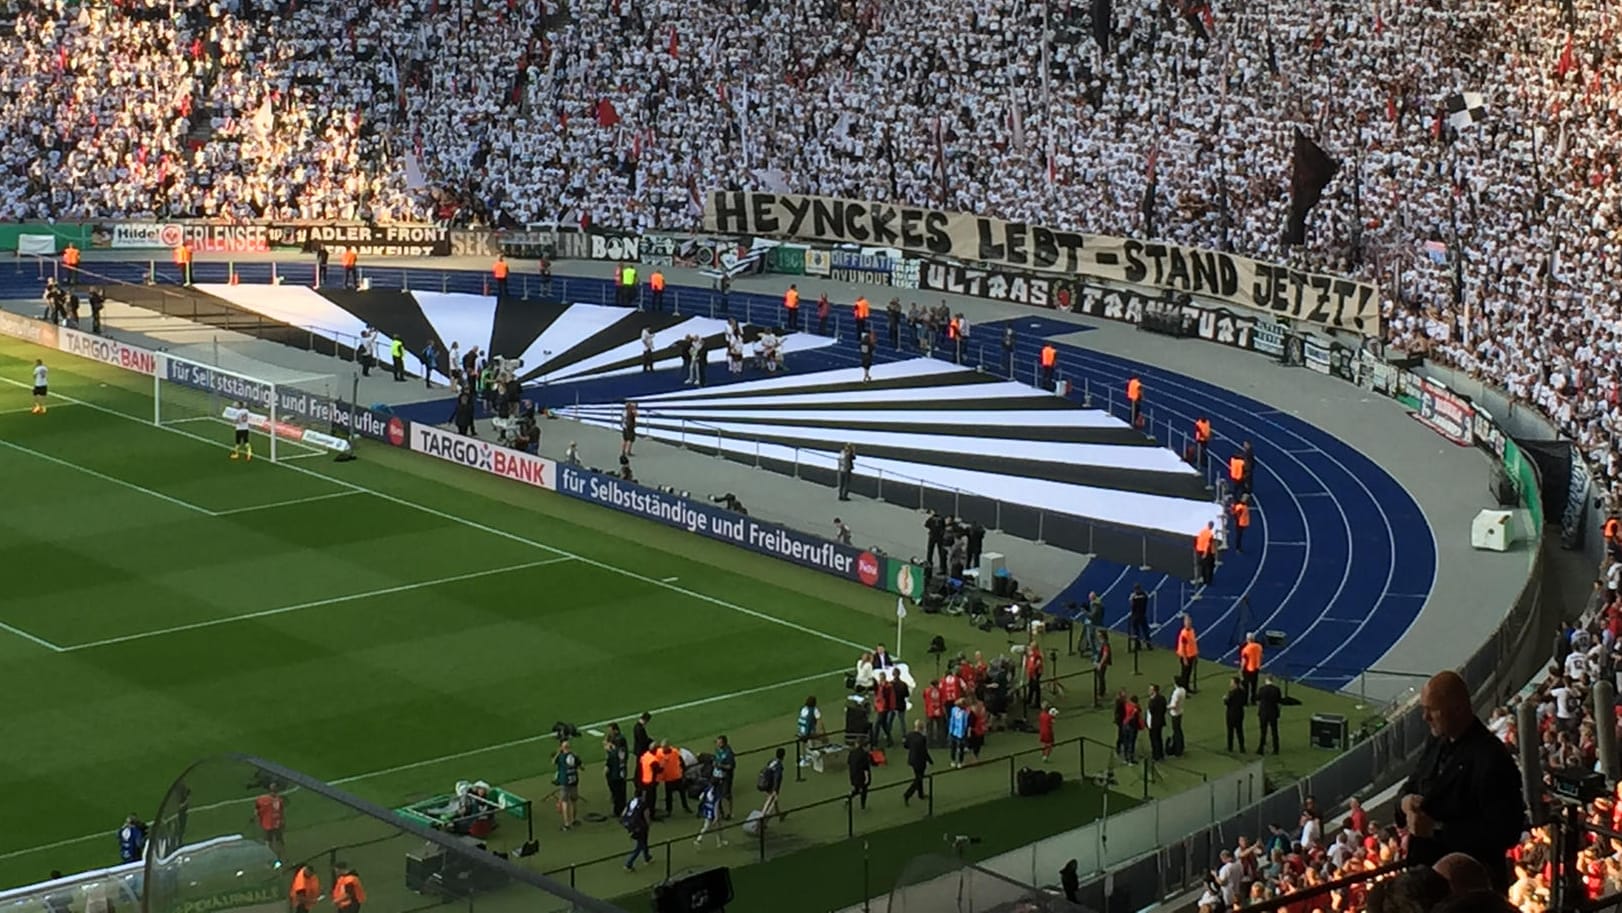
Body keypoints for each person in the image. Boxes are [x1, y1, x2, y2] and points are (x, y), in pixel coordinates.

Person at [1397, 670, 1526, 893]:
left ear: (1458, 708)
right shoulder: (1437, 742)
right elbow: (1412, 784)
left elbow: (1505, 831)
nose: (1425, 717)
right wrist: (1405, 802)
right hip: (1428, 884)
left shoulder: (1491, 757)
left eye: (1431, 710)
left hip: (1466, 891)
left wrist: (1436, 830)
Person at [902, 719, 931, 805]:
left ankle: (920, 794)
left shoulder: (909, 735)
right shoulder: (922, 738)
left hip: (912, 759)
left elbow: (906, 745)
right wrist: (929, 760)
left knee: (918, 777)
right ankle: (908, 794)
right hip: (920, 761)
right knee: (919, 779)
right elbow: (924, 751)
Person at [621, 793, 653, 871]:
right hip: (639, 826)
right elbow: (646, 816)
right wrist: (648, 825)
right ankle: (628, 864)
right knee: (639, 846)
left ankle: (647, 857)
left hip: (629, 824)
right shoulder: (644, 804)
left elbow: (623, 813)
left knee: (644, 841)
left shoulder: (631, 801)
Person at [553, 739, 581, 830]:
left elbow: (553, 762)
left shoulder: (561, 757)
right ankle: (574, 820)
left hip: (565, 781)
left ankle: (566, 824)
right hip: (574, 780)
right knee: (574, 801)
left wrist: (558, 752)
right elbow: (580, 765)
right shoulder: (574, 755)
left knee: (565, 802)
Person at [603, 724, 630, 818]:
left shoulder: (618, 746)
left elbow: (612, 757)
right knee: (620, 791)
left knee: (617, 791)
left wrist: (608, 748)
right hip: (621, 771)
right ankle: (620, 809)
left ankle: (619, 810)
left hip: (615, 772)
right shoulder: (621, 748)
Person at [254, 783, 286, 856]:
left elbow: (256, 810)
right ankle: (280, 855)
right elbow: (281, 812)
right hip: (275, 823)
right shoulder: (279, 800)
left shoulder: (262, 799)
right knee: (277, 840)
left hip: (268, 823)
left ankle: (271, 857)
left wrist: (258, 817)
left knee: (270, 840)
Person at [693, 779, 726, 848]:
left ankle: (720, 841)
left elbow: (700, 797)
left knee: (716, 826)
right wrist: (716, 817)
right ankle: (699, 839)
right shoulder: (717, 793)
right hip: (712, 812)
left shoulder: (708, 789)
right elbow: (716, 807)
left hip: (707, 809)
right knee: (711, 826)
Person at [1256, 675, 1283, 755]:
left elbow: (1257, 698)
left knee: (1263, 731)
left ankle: (1261, 748)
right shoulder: (1276, 689)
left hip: (1264, 712)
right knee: (1274, 731)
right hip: (1273, 712)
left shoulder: (1262, 689)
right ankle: (1276, 749)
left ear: (1266, 680)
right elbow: (1279, 701)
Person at [758, 747, 787, 821]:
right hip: (771, 786)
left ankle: (780, 815)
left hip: (766, 782)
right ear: (783, 756)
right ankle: (762, 820)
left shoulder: (772, 761)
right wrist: (775, 790)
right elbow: (777, 778)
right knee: (770, 803)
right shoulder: (779, 766)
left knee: (774, 801)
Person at [713, 735, 736, 819]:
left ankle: (730, 812)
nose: (717, 744)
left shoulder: (728, 753)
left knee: (727, 795)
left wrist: (720, 766)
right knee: (716, 793)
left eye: (719, 742)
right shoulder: (718, 750)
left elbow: (731, 766)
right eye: (717, 742)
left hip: (726, 776)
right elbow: (716, 759)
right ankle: (721, 812)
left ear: (723, 743)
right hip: (717, 775)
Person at [847, 738, 873, 810]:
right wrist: (867, 780)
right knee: (864, 790)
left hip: (853, 775)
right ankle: (863, 806)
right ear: (865, 746)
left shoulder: (852, 752)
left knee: (857, 789)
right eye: (868, 746)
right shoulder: (864, 755)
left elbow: (849, 762)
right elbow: (866, 768)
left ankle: (848, 797)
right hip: (862, 777)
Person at [1224, 677, 1248, 753]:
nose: (1230, 684)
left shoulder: (1231, 693)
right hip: (1240, 713)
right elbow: (1244, 702)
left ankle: (1230, 747)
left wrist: (1225, 699)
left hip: (1231, 714)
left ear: (1235, 684)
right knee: (1239, 731)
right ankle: (1242, 748)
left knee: (1230, 731)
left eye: (1231, 682)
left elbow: (1228, 703)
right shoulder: (1243, 692)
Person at [1176, 615, 1199, 692]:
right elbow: (1183, 647)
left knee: (1189, 673)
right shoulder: (1184, 634)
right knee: (1184, 674)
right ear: (1184, 623)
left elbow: (1193, 643)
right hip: (1186, 656)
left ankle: (1187, 688)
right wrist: (1185, 658)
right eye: (1187, 622)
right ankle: (1183, 690)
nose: (1189, 623)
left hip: (1191, 655)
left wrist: (1196, 653)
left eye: (1190, 621)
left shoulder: (1192, 630)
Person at [947, 698, 970, 768]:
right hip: (959, 732)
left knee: (955, 747)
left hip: (955, 731)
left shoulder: (954, 710)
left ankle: (955, 761)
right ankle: (959, 762)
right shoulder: (964, 712)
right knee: (958, 748)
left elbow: (952, 721)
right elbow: (965, 724)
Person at [1240, 633, 1263, 701]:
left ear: (1247, 639)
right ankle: (1253, 700)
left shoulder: (1245, 649)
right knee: (1254, 685)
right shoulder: (1259, 646)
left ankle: (1245, 700)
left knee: (1245, 685)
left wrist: (1241, 669)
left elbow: (1244, 660)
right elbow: (1261, 656)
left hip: (1247, 668)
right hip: (1256, 668)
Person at [1147, 684, 1168, 761]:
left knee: (1154, 739)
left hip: (1154, 723)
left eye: (1150, 689)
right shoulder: (1162, 698)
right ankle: (1160, 754)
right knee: (1159, 738)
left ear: (1154, 691)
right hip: (1160, 721)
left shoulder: (1153, 701)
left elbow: (1151, 711)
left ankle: (1156, 755)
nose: (1149, 691)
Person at [1128, 583, 1152, 651]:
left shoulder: (1133, 596)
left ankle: (1138, 645)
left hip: (1135, 615)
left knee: (1136, 631)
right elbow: (1147, 599)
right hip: (1143, 614)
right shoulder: (1144, 594)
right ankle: (1149, 645)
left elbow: (1131, 603)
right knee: (1145, 631)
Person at [1168, 677, 1187, 756]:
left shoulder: (1176, 692)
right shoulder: (1183, 690)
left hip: (1175, 713)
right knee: (1178, 730)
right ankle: (1180, 746)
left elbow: (1174, 705)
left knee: (1176, 731)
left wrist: (1166, 707)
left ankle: (1178, 749)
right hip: (1180, 712)